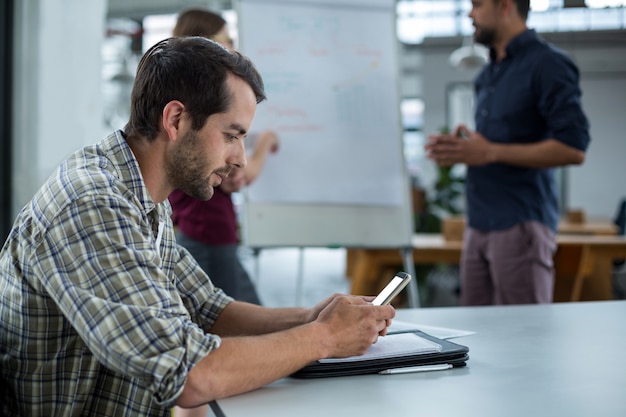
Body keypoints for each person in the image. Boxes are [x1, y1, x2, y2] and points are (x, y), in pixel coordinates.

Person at [0, 36, 395, 416]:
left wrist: (311, 318)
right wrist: (324, 338)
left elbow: (206, 309)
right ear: (175, 119)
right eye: (231, 136)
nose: (240, 158)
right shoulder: (93, 203)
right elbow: (188, 372)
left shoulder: (143, 195)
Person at [425, 0, 590, 305]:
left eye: (477, 5)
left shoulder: (548, 64)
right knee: (478, 336)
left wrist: (488, 151)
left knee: (525, 338)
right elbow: (491, 148)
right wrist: (465, 149)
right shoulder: (487, 76)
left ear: (505, 7)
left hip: (519, 221)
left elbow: (573, 147)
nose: (470, 14)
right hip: (479, 223)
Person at [169, 7, 279, 305]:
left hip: (204, 231)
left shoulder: (182, 94)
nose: (233, 46)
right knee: (237, 324)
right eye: (226, 39)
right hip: (208, 234)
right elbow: (235, 179)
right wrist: (266, 141)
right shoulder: (199, 106)